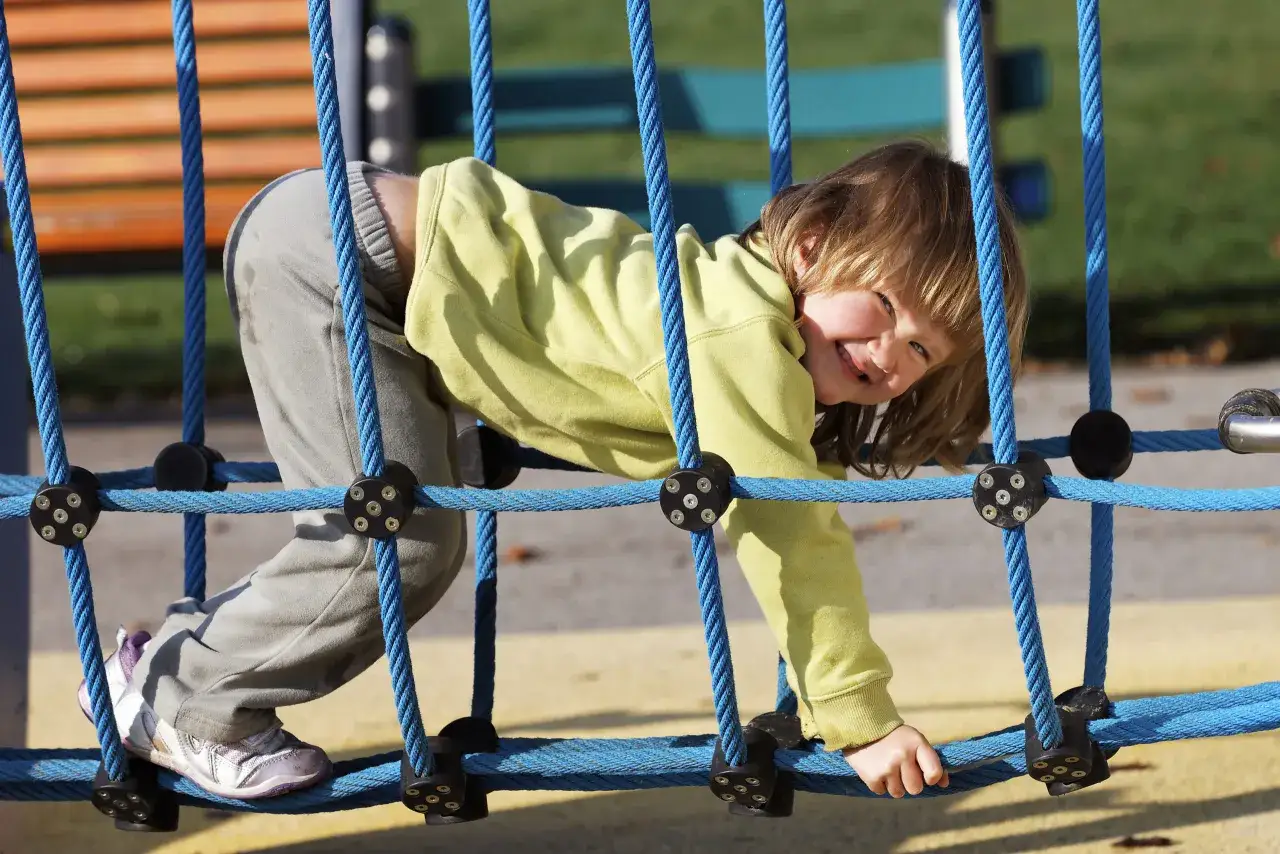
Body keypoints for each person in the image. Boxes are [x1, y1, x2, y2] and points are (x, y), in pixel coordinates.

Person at [78, 139, 1029, 801]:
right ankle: (182, 700)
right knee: (397, 545)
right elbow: (789, 530)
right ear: (814, 246)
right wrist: (858, 717)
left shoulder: (728, 302)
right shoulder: (743, 337)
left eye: (923, 352)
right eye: (883, 309)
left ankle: (166, 661)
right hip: (336, 260)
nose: (890, 357)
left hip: (353, 247)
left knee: (415, 535)